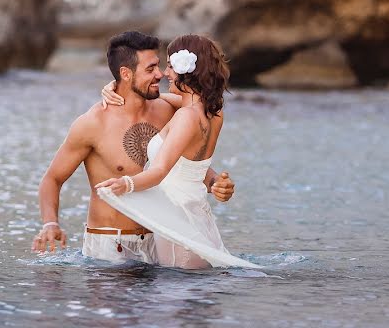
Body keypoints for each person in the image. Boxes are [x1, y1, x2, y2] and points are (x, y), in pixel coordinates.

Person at [32, 31, 236, 264]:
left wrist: (213, 183)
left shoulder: (169, 110)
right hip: (112, 248)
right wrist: (50, 223)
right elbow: (52, 179)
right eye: (150, 69)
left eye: (160, 66)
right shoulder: (93, 124)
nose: (160, 74)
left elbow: (183, 163)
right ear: (126, 74)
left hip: (160, 241)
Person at [95, 34, 258, 269]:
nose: (165, 74)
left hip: (178, 224)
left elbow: (160, 170)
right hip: (198, 220)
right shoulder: (214, 112)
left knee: (173, 297)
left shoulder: (186, 116)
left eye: (170, 66)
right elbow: (165, 99)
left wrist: (125, 184)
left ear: (187, 70)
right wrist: (121, 86)